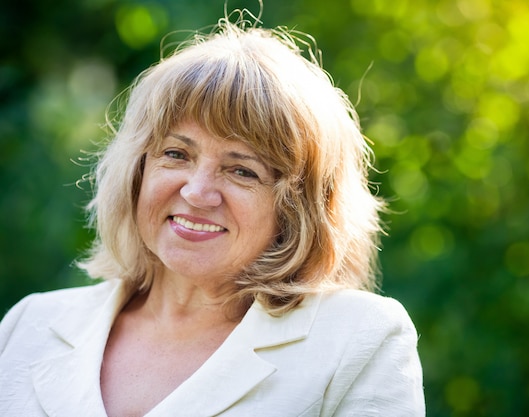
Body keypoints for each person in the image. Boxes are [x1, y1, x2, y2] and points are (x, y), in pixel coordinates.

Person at [0, 14, 425, 417]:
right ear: (138, 169)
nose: (197, 192)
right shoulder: (32, 324)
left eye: (242, 170)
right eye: (176, 154)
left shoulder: (359, 339)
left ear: (298, 207)